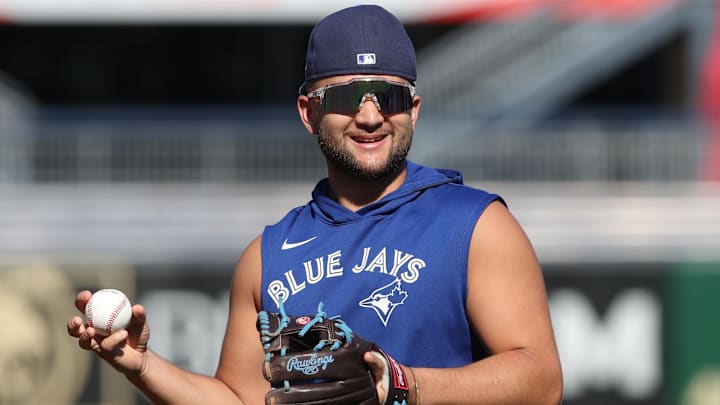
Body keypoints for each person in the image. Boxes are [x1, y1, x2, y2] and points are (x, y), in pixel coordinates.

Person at [67, 4, 563, 404]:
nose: (370, 117)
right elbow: (240, 401)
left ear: (412, 110)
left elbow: (541, 382)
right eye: (347, 97)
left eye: (387, 97)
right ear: (309, 112)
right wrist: (142, 365)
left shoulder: (474, 225)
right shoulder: (266, 257)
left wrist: (403, 385)